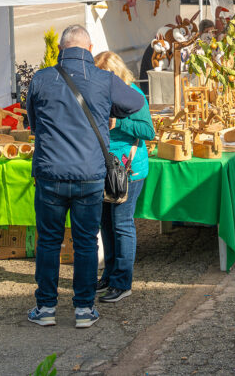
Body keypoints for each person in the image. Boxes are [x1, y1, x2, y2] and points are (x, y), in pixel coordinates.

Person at [26, 25, 146, 328]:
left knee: (49, 242)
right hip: (89, 174)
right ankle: (83, 309)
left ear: (61, 49)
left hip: (51, 173)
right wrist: (110, 106)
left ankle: (46, 308)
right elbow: (136, 103)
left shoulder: (41, 78)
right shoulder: (104, 78)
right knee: (85, 243)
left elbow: (32, 122)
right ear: (89, 47)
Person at [92, 51, 155, 303]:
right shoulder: (100, 95)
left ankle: (122, 282)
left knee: (121, 224)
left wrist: (119, 124)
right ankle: (109, 275)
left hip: (128, 171)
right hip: (105, 168)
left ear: (115, 74)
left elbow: (148, 131)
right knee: (106, 224)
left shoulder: (134, 95)